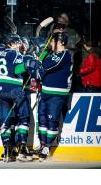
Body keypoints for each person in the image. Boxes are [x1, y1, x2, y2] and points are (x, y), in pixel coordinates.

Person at [0, 34, 36, 162]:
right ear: (10, 44)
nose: (18, 45)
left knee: (5, 121)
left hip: (0, 91)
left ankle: (7, 149)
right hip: (14, 89)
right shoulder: (15, 54)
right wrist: (28, 65)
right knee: (23, 117)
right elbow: (17, 69)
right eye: (16, 43)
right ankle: (23, 147)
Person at [35, 32, 73, 161]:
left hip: (57, 94)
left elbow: (44, 66)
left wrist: (41, 56)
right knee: (42, 119)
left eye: (52, 41)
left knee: (52, 120)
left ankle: (48, 147)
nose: (50, 43)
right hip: (46, 92)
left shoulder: (64, 55)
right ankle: (43, 145)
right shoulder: (54, 55)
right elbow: (40, 66)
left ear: (60, 42)